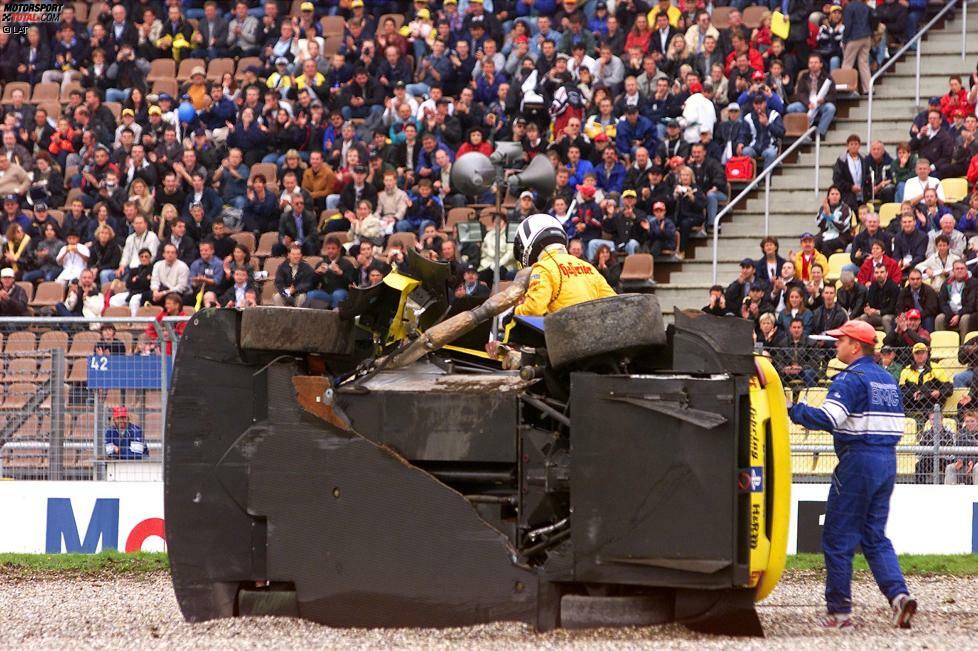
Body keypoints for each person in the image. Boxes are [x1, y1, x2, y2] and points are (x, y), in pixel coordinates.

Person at [787, 319, 916, 629]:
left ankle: (839, 612)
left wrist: (793, 409)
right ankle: (899, 596)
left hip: (858, 461)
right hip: (887, 461)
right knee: (874, 536)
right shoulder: (887, 379)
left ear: (856, 346)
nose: (836, 344)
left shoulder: (851, 377)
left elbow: (830, 418)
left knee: (837, 537)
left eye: (840, 340)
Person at [512, 214, 616, 317]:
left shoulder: (543, 268)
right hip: (592, 329)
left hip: (562, 331)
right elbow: (614, 302)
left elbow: (534, 309)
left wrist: (515, 312)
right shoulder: (587, 266)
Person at [899, 342, 951, 417]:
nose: (920, 355)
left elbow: (949, 388)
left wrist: (939, 392)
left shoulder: (936, 368)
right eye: (917, 353)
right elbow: (901, 390)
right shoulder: (906, 370)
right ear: (913, 355)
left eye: (922, 353)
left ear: (927, 354)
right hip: (912, 401)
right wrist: (913, 393)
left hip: (931, 401)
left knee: (932, 402)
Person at [944, 410, 978, 485]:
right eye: (967, 421)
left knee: (977, 467)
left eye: (972, 421)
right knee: (950, 468)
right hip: (965, 464)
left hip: (975, 464)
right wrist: (960, 460)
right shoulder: (961, 433)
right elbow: (958, 450)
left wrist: (973, 461)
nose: (969, 424)